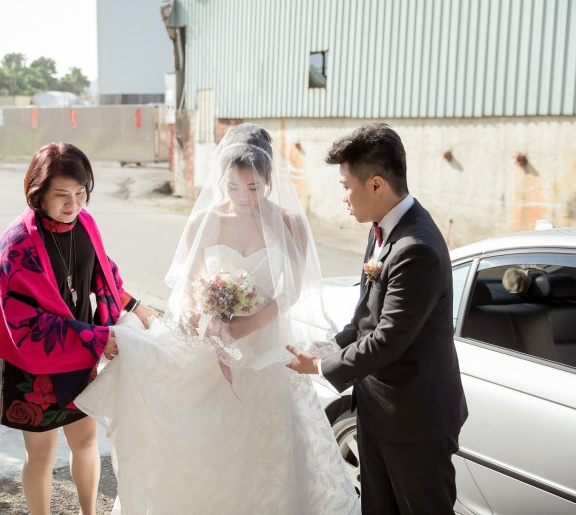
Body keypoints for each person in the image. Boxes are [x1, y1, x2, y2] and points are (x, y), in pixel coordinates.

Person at [75, 124, 360, 514]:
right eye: (233, 187)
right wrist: (200, 316)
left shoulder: (289, 224)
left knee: (266, 450)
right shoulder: (204, 222)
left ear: (269, 180)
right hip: (211, 353)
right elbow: (187, 290)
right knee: (210, 447)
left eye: (253, 188)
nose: (243, 197)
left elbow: (291, 291)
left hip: (265, 354)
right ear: (221, 180)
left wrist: (248, 324)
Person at [286, 123, 469, 515]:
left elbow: (388, 339)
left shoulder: (416, 247)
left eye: (346, 186)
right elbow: (366, 315)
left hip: (415, 419)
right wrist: (330, 345)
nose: (343, 197)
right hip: (377, 410)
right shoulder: (383, 228)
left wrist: (319, 366)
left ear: (376, 185)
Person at [0, 142, 157, 515]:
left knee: (85, 442)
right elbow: (25, 325)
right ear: (38, 194)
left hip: (79, 353)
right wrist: (99, 338)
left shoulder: (85, 225)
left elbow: (105, 277)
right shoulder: (17, 245)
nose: (74, 205)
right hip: (32, 364)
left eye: (80, 193)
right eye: (62, 195)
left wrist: (135, 307)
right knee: (41, 454)